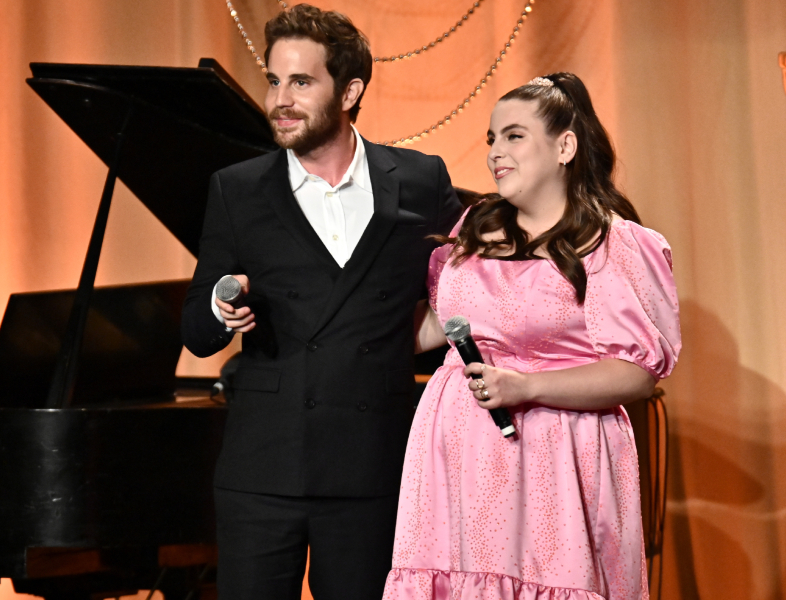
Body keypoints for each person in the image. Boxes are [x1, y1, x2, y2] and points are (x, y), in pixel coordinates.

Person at [180, 4, 463, 599]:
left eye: (302, 82)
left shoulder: (418, 179)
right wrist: (221, 308)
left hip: (374, 466)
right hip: (263, 468)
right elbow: (197, 332)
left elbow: (460, 302)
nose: (280, 98)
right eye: (274, 80)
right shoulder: (236, 188)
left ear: (350, 89)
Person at [383, 73, 681, 600]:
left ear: (565, 145)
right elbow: (438, 327)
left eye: (514, 135)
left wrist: (525, 387)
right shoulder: (476, 225)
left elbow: (635, 373)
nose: (495, 151)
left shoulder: (612, 242)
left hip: (556, 455)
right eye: (493, 137)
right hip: (458, 453)